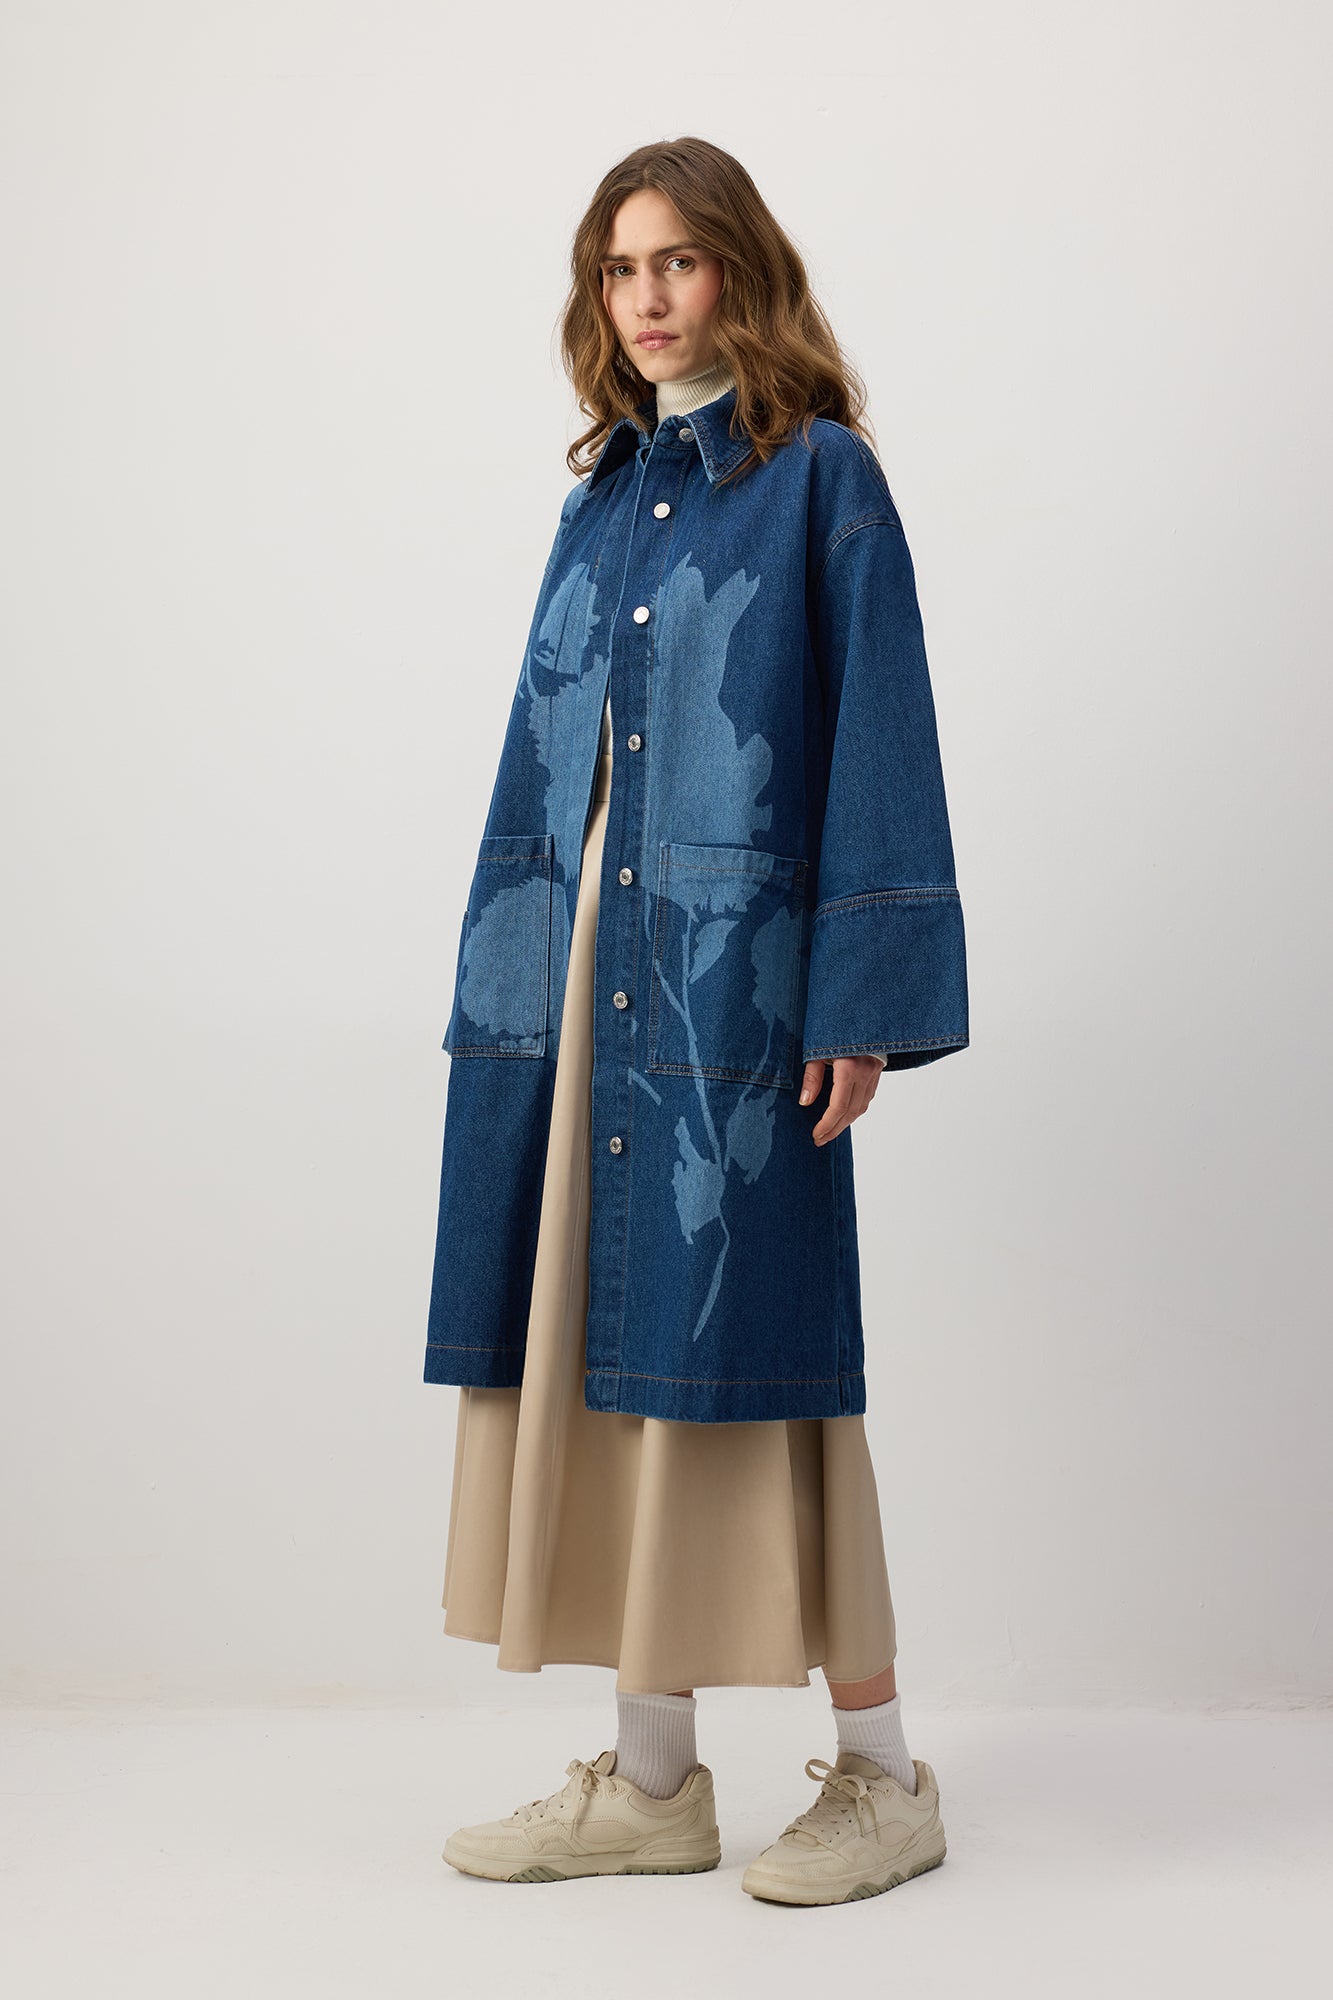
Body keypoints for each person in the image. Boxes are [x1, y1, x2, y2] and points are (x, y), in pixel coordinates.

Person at [426, 136, 968, 1906]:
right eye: (618, 269)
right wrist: (507, 994)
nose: (646, 299)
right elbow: (550, 759)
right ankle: (652, 1785)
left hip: (734, 996)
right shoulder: (600, 497)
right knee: (607, 1362)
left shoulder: (819, 477)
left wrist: (860, 1002)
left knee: (768, 1368)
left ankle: (883, 1777)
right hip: (585, 988)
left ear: (740, 267)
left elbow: (878, 730)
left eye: (676, 261)